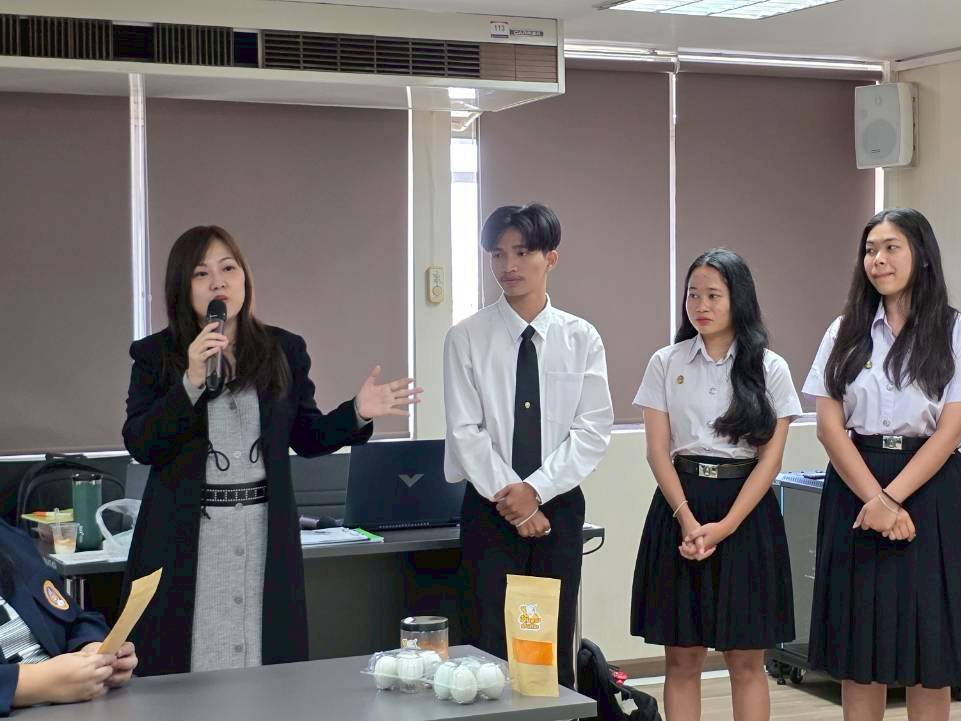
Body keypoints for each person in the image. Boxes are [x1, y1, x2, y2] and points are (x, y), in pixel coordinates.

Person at [122, 225, 419, 675]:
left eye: (228, 268)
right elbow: (141, 442)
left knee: (265, 661)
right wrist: (191, 381)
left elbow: (308, 436)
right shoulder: (155, 355)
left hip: (264, 529)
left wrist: (357, 412)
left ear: (244, 278)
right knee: (187, 663)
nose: (218, 282)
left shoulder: (283, 349)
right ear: (183, 287)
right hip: (187, 535)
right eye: (202, 273)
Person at [805, 208, 961, 721]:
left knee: (930, 650)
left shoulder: (959, 332)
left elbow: (952, 430)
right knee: (858, 651)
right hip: (856, 485)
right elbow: (829, 426)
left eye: (891, 248)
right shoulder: (844, 331)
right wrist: (875, 498)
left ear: (923, 257)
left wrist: (891, 498)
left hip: (931, 490)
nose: (878, 260)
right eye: (870, 250)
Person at [443, 203, 612, 688]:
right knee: (489, 648)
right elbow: (464, 430)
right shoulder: (465, 337)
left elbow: (592, 428)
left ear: (550, 258)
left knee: (551, 650)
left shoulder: (581, 337)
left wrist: (534, 493)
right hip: (489, 509)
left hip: (557, 508)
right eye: (497, 254)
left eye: (521, 252)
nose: (508, 265)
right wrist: (514, 501)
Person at [631, 248, 801, 721]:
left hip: (745, 511)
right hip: (679, 505)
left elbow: (770, 461)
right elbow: (657, 452)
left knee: (746, 661)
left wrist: (725, 527)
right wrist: (687, 520)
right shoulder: (666, 362)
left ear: (737, 299)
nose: (700, 305)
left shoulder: (769, 368)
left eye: (713, 295)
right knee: (682, 658)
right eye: (692, 295)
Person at [0, 518, 136, 715]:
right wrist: (34, 682)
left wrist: (94, 651)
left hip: (81, 705)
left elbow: (72, 617)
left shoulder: (10, 541)